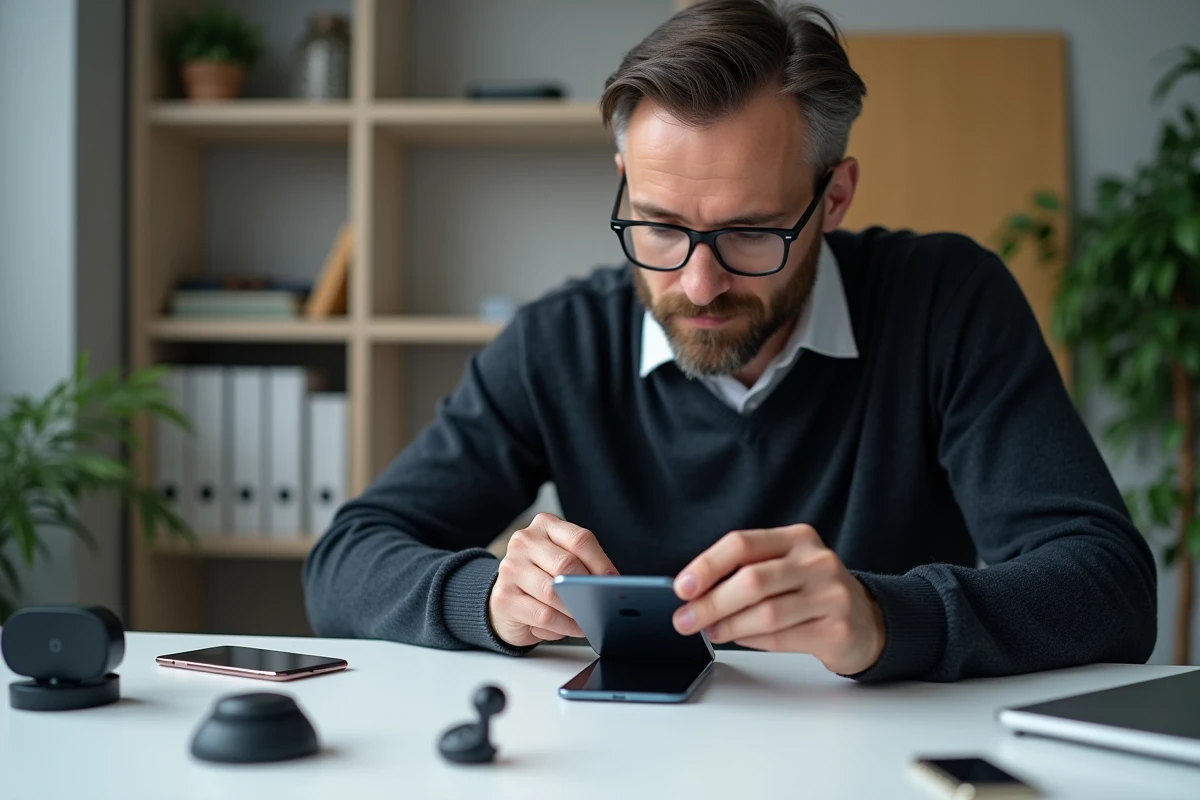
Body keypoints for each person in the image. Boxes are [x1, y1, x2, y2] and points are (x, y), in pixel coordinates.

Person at [303, 0, 1156, 682]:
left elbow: (1110, 588)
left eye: (751, 233)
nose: (698, 285)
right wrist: (486, 599)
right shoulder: (557, 341)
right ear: (625, 186)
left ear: (835, 196)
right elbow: (343, 562)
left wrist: (883, 618)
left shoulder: (946, 303)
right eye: (661, 228)